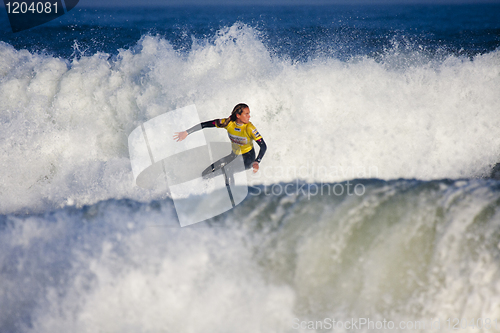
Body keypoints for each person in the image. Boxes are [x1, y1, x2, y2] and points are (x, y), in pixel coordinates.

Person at [173, 103, 267, 179]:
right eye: (246, 114)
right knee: (206, 174)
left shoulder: (249, 128)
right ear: (238, 115)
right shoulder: (228, 123)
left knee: (228, 170)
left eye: (249, 113)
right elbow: (205, 124)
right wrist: (187, 132)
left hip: (248, 159)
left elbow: (263, 146)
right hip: (233, 156)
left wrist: (257, 161)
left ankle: (231, 199)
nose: (249, 116)